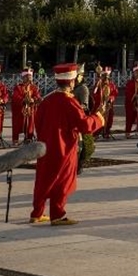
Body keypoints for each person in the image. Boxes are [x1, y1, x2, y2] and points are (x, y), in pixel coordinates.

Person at [29, 63, 106, 225]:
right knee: (62, 180)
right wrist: (99, 117)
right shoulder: (69, 102)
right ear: (71, 82)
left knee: (44, 179)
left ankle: (36, 213)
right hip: (63, 147)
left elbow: (38, 122)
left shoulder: (46, 100)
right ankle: (57, 214)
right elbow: (84, 125)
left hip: (44, 146)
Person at [11, 68, 42, 144]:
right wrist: (24, 100)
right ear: (23, 77)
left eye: (30, 77)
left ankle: (29, 138)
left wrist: (33, 99)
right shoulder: (18, 87)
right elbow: (15, 97)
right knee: (17, 124)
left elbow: (37, 96)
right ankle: (15, 140)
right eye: (27, 77)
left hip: (30, 109)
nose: (29, 78)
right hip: (20, 109)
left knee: (30, 124)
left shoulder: (34, 87)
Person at [91, 67, 118, 140]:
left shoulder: (111, 85)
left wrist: (111, 98)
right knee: (98, 119)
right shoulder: (98, 84)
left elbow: (114, 93)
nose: (106, 78)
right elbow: (94, 93)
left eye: (107, 76)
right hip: (100, 105)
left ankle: (106, 132)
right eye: (104, 76)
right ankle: (96, 133)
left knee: (109, 119)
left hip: (108, 105)